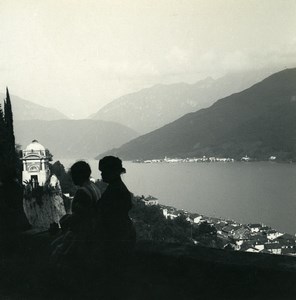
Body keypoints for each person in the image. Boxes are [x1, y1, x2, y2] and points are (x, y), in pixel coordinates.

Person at [97, 156, 136, 298]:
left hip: (118, 239)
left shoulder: (115, 191)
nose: (101, 174)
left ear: (112, 171)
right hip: (123, 236)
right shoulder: (116, 188)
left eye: (103, 171)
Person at [51, 161, 101, 266]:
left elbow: (78, 217)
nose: (71, 178)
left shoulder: (82, 191)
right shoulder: (95, 188)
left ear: (79, 175)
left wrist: (64, 220)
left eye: (73, 174)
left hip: (81, 236)